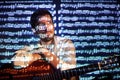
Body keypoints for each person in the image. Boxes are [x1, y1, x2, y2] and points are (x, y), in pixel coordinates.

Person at [12, 9, 79, 80]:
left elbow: (71, 73)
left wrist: (45, 53)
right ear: (34, 31)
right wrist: (38, 56)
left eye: (49, 23)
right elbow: (16, 62)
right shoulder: (31, 47)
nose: (47, 28)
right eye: (41, 25)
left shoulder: (66, 43)